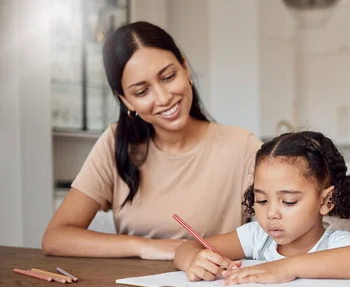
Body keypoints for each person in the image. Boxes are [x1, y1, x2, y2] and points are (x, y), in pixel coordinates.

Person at [42, 21, 262, 260]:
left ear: (185, 69)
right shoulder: (115, 143)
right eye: (141, 91)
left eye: (168, 77)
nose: (164, 97)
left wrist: (191, 252)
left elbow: (286, 229)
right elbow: (56, 237)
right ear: (126, 100)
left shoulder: (242, 147)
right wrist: (144, 246)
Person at [174, 131, 350, 284]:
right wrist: (194, 260)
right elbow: (187, 248)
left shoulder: (332, 244)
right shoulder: (258, 237)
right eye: (261, 200)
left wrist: (286, 267)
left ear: (326, 201)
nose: (271, 213)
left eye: (288, 201)